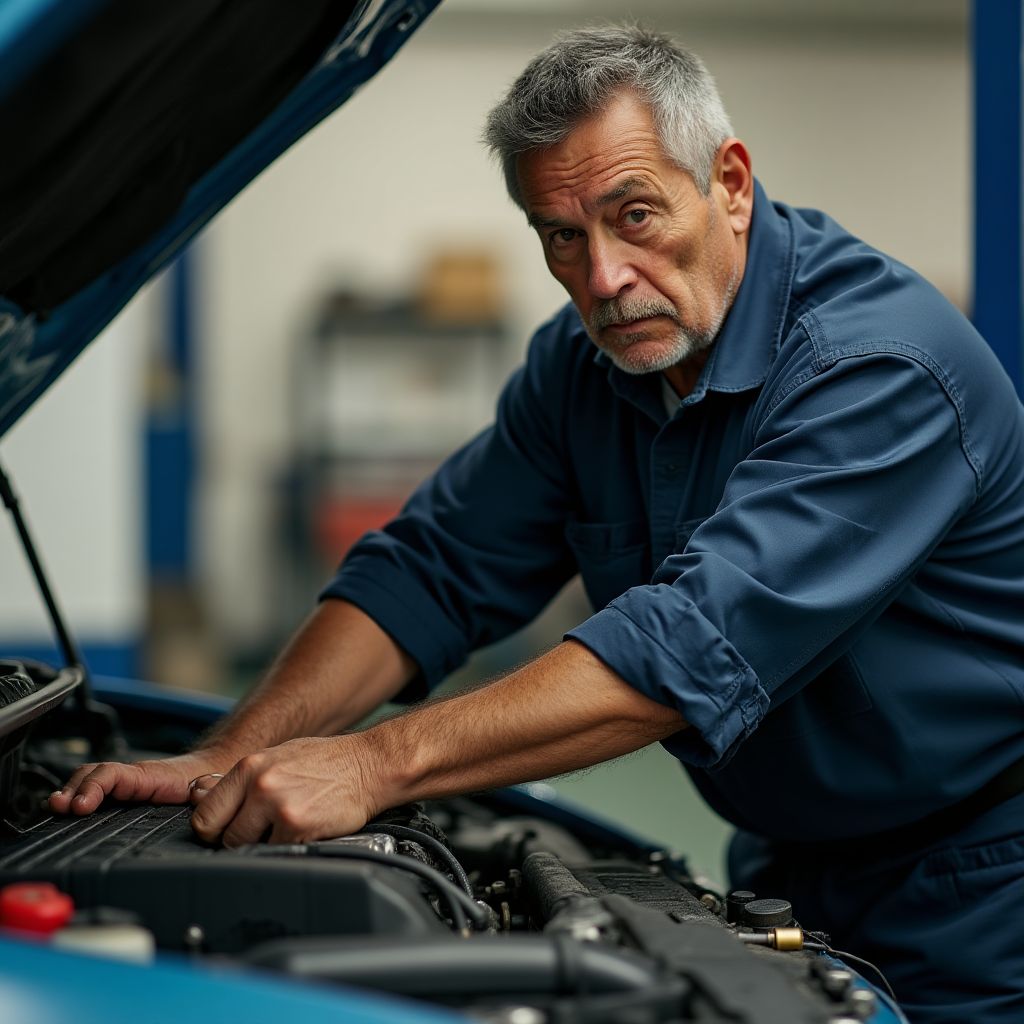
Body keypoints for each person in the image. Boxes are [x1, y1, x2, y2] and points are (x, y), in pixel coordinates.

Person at [52, 25, 1024, 1023]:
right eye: (562, 235)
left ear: (728, 184)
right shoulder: (586, 366)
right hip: (787, 860)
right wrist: (235, 749)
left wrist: (374, 760)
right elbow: (430, 569)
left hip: (974, 881)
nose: (602, 277)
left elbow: (687, 650)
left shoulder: (880, 371)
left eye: (633, 214)